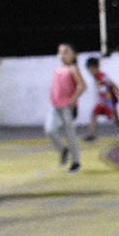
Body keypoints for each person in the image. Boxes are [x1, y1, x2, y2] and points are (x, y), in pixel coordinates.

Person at [45, 43, 86, 172]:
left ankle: (75, 162)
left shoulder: (73, 68)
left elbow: (82, 85)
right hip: (55, 105)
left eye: (66, 52)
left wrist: (73, 99)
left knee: (70, 135)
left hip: (67, 107)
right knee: (49, 130)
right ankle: (63, 150)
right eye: (61, 52)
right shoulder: (57, 69)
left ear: (73, 55)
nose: (63, 55)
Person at [84, 56, 119, 141]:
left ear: (93, 68)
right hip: (107, 100)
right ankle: (92, 135)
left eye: (89, 69)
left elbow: (107, 91)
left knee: (115, 119)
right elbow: (113, 85)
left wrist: (108, 104)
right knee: (95, 114)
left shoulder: (100, 78)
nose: (89, 72)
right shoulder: (101, 76)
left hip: (108, 101)